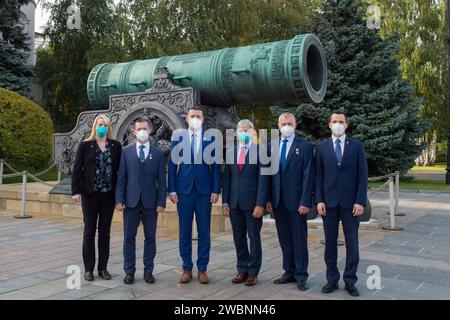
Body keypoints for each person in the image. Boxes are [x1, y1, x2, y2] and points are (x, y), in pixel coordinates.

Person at [315, 112, 368, 297]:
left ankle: (350, 280)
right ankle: (331, 279)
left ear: (346, 125)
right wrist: (319, 200)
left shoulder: (357, 147)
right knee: (330, 242)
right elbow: (318, 176)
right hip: (328, 204)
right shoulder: (321, 147)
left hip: (351, 204)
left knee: (352, 243)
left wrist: (360, 201)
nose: (337, 124)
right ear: (329, 124)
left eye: (341, 122)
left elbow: (362, 176)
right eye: (334, 121)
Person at [168, 105, 220, 284]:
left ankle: (203, 269)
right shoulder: (178, 138)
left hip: (204, 193)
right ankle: (187, 268)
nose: (195, 119)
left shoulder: (211, 139)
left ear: (203, 119)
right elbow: (172, 165)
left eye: (198, 116)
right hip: (184, 192)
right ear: (187, 118)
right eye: (192, 116)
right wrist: (172, 190)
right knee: (185, 231)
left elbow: (216, 168)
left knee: (204, 231)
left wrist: (215, 190)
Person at [266, 112, 314, 291]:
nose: (286, 126)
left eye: (289, 123)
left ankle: (301, 274)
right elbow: (269, 175)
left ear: (295, 125)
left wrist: (305, 201)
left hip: (297, 202)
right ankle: (289, 271)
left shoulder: (305, 146)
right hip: (278, 202)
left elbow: (308, 175)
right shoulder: (271, 146)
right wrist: (269, 198)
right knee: (284, 238)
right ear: (278, 125)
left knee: (299, 238)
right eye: (283, 123)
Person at [115, 118, 166, 285]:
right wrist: (119, 199)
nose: (142, 131)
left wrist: (161, 202)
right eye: (139, 128)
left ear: (150, 130)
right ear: (134, 132)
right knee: (129, 238)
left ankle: (148, 271)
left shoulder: (157, 154)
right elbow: (121, 178)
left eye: (145, 128)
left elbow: (161, 180)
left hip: (151, 204)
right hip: (130, 202)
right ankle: (129, 271)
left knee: (150, 238)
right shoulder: (126, 153)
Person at [71, 114, 122, 282]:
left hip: (108, 195)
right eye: (100, 124)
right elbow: (78, 169)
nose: (102, 127)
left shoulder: (115, 146)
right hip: (90, 195)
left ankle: (103, 268)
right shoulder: (85, 145)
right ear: (95, 126)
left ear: (109, 127)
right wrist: (75, 191)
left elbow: (119, 172)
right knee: (89, 232)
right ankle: (88, 269)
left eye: (105, 125)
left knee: (105, 233)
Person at [222, 119, 268, 286]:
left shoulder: (260, 151)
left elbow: (263, 180)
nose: (242, 132)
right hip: (234, 203)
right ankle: (242, 269)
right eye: (240, 130)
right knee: (238, 237)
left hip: (253, 204)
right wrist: (225, 202)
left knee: (254, 238)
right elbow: (227, 179)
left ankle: (253, 272)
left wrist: (260, 204)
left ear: (252, 131)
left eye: (246, 129)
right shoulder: (231, 152)